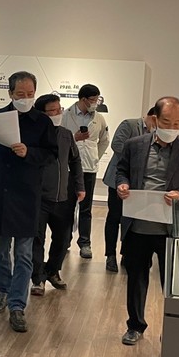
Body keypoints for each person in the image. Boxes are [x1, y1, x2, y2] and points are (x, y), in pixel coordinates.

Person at [116, 96, 179, 346]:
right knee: (136, 278)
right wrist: (123, 184)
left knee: (171, 283)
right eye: (166, 122)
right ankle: (135, 326)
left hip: (169, 228)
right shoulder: (135, 145)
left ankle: (172, 329)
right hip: (138, 224)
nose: (171, 128)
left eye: (177, 123)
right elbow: (122, 170)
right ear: (154, 119)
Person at [0, 71, 57, 333]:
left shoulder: (42, 122)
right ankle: (2, 291)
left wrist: (29, 152)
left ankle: (17, 305)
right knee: (0, 251)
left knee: (24, 254)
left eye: (30, 94)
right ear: (10, 93)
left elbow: (51, 154)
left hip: (27, 194)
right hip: (1, 193)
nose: (26, 98)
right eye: (20, 94)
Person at [30, 94, 85, 295]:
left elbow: (75, 161)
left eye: (58, 109)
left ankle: (52, 271)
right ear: (41, 114)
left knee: (63, 238)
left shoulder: (65, 134)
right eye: (51, 111)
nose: (56, 114)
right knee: (37, 239)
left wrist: (80, 186)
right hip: (38, 197)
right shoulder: (33, 134)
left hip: (63, 197)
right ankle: (37, 278)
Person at [102, 107, 157, 273]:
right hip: (117, 180)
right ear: (152, 117)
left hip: (137, 184)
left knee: (131, 220)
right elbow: (117, 145)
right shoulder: (130, 124)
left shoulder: (155, 134)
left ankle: (127, 254)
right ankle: (110, 255)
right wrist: (137, 159)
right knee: (114, 217)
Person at [62, 84, 110, 259]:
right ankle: (64, 241)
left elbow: (104, 141)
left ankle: (85, 243)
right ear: (83, 99)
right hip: (69, 168)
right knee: (67, 207)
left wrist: (95, 156)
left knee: (86, 208)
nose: (96, 103)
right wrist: (74, 138)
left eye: (97, 99)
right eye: (93, 100)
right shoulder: (66, 115)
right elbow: (59, 139)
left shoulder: (99, 118)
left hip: (89, 168)